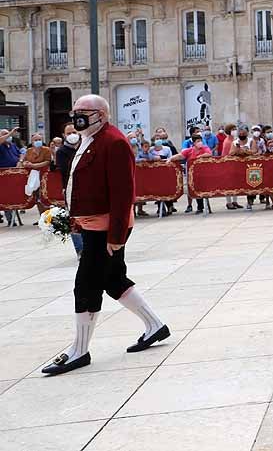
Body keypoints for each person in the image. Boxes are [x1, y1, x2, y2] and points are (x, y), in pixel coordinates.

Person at [41, 94, 170, 376]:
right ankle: (155, 326)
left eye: (83, 112)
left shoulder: (114, 142)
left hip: (106, 228)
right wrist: (75, 218)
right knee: (113, 279)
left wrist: (117, 235)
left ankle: (79, 350)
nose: (77, 117)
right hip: (92, 224)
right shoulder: (89, 138)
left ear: (101, 113)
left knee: (86, 285)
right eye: (74, 112)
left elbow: (124, 194)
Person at [55, 123, 84, 255]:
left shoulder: (86, 146)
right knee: (74, 219)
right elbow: (65, 170)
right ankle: (80, 249)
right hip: (70, 187)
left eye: (74, 132)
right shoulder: (61, 151)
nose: (72, 135)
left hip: (88, 187)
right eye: (68, 133)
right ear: (64, 136)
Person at [170, 134, 212, 214]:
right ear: (194, 143)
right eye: (198, 141)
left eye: (200, 141)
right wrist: (171, 159)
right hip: (192, 174)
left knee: (202, 189)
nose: (200, 143)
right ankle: (198, 207)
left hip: (203, 173)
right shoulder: (189, 150)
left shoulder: (205, 148)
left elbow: (209, 154)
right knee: (194, 189)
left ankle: (202, 207)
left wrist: (200, 156)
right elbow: (180, 156)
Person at [19, 131, 52, 220]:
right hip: (33, 176)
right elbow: (25, 160)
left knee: (45, 197)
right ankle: (41, 218)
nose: (38, 141)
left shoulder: (46, 150)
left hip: (44, 176)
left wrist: (35, 165)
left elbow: (48, 161)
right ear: (32, 142)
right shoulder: (29, 151)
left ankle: (48, 218)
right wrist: (25, 163)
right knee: (37, 198)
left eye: (39, 139)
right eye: (36, 140)